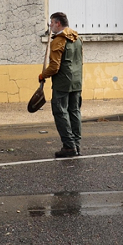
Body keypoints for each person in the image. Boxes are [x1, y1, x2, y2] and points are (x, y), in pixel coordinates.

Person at [39, 12, 83, 158]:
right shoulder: (77, 38)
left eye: (51, 23)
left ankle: (69, 146)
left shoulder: (58, 41)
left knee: (60, 112)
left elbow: (54, 67)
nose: (50, 26)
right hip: (76, 81)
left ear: (58, 23)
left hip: (62, 83)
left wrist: (43, 75)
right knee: (74, 112)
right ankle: (76, 144)